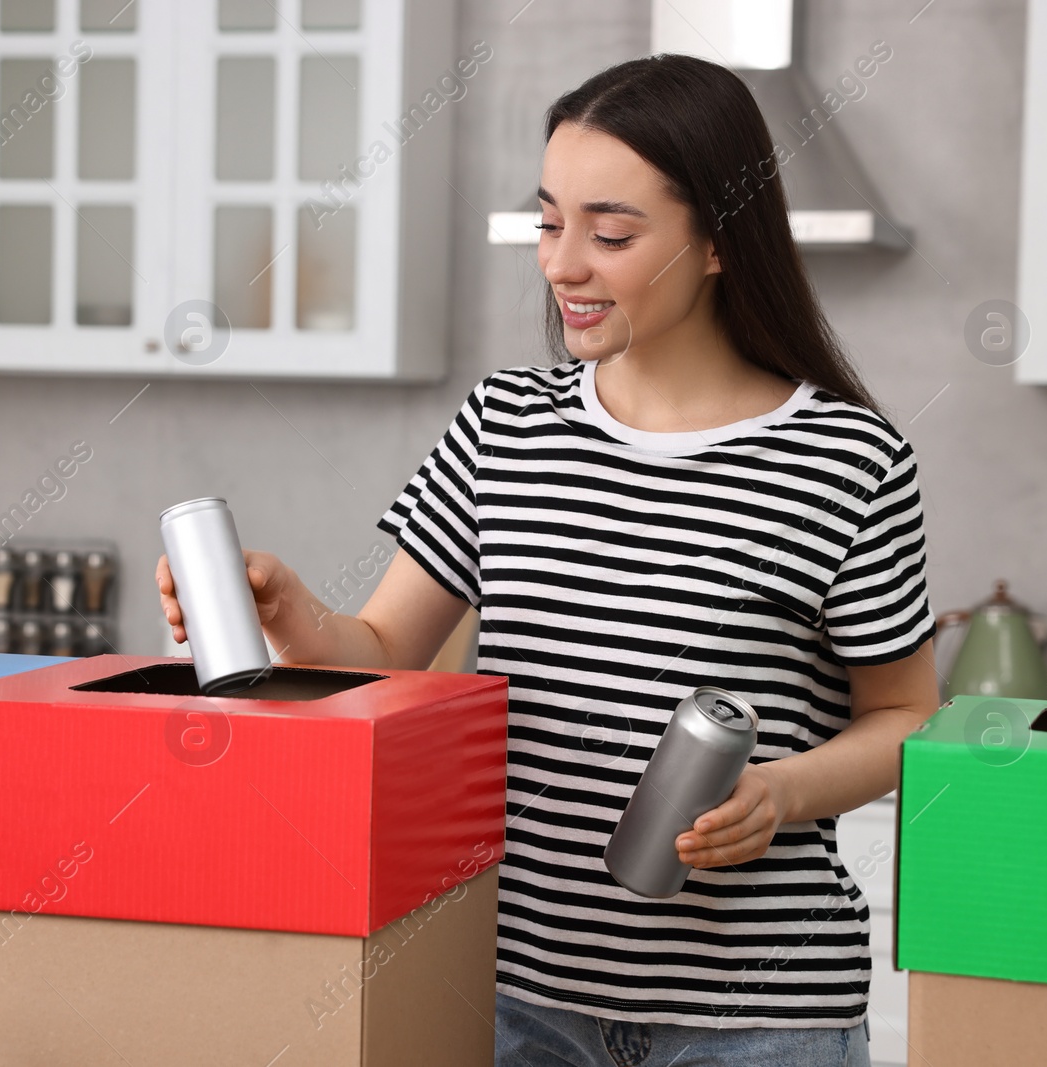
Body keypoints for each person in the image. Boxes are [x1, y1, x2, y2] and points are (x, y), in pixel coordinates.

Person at [157, 52, 938, 1067]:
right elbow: (388, 646)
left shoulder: (846, 460)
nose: (561, 262)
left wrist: (782, 791)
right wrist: (292, 613)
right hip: (519, 998)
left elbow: (907, 714)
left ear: (716, 242)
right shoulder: (504, 428)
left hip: (760, 1017)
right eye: (548, 221)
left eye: (608, 232)